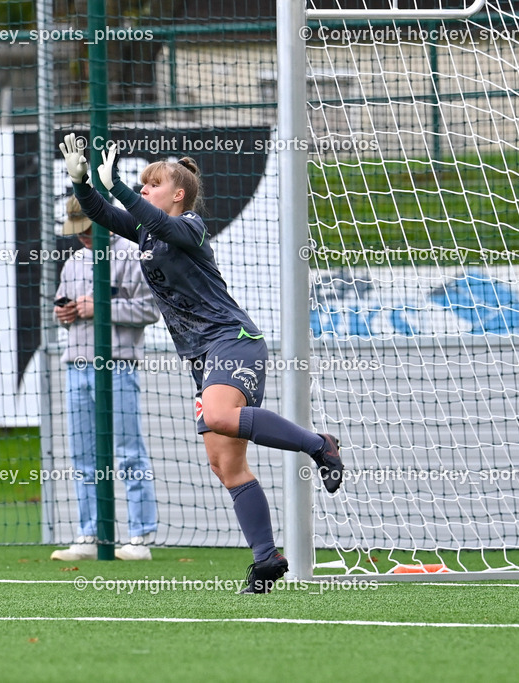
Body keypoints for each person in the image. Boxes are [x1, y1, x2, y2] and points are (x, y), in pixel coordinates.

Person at [59, 134, 344, 592]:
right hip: (203, 357)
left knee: (217, 416)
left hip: (234, 341)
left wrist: (121, 191)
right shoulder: (148, 231)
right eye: (141, 183)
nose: (143, 189)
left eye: (151, 184)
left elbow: (146, 216)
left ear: (178, 194)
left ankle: (318, 444)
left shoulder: (189, 226)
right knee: (224, 465)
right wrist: (82, 183)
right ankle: (266, 558)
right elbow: (104, 216)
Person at [50, 195, 161, 562]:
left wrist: (99, 308)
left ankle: (140, 537)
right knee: (83, 456)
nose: (81, 237)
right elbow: (61, 307)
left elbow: (149, 310)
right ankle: (89, 534)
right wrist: (63, 313)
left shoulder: (132, 255)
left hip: (117, 365)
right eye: (76, 230)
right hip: (76, 365)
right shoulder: (74, 261)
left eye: (87, 228)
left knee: (129, 452)